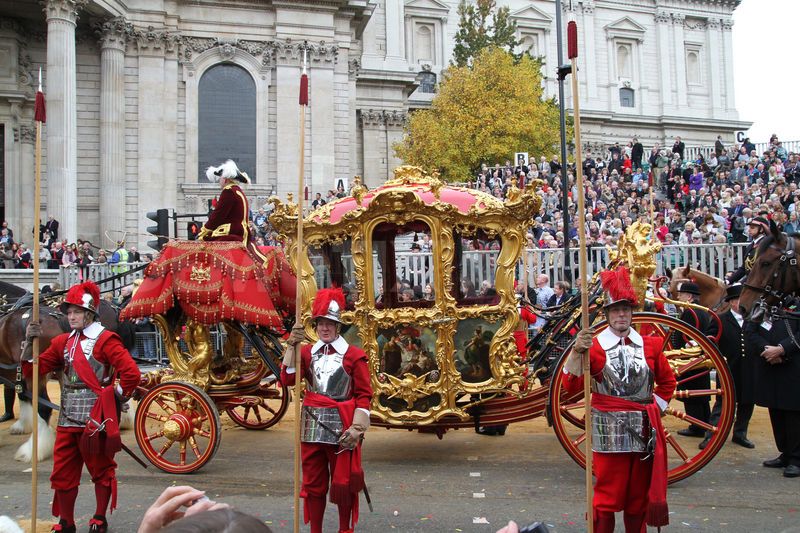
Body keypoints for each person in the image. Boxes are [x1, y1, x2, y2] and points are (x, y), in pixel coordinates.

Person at [562, 266, 676, 533]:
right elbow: (570, 387)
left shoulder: (651, 345)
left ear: (632, 313)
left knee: (637, 501)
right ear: (608, 315)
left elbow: (668, 383)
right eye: (616, 310)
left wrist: (653, 411)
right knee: (606, 500)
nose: (621, 314)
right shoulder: (596, 347)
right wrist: (578, 352)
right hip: (608, 434)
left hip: (644, 431)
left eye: (626, 309)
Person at [22, 281, 141, 533]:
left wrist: (113, 398)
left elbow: (131, 374)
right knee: (62, 473)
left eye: (76, 311)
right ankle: (66, 522)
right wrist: (27, 344)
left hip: (95, 420)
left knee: (101, 470)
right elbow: (34, 370)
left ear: (89, 313)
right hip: (66, 418)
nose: (71, 316)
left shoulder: (106, 340)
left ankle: (99, 517)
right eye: (68, 312)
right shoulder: (63, 342)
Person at [281, 287, 372, 533]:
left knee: (342, 484)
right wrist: (291, 345)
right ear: (315, 325)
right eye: (320, 323)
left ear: (338, 325)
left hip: (343, 429)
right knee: (313, 485)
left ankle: (345, 530)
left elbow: (364, 395)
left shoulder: (354, 356)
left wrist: (358, 428)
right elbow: (288, 378)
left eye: (330, 323)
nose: (324, 328)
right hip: (311, 426)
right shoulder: (306, 353)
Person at [744, 306, 800, 478]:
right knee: (775, 411)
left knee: (793, 413)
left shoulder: (796, 304)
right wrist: (767, 350)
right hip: (769, 365)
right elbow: (750, 331)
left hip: (793, 368)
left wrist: (782, 349)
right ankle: (785, 453)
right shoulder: (762, 307)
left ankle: (796, 459)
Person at [700, 284, 755, 450]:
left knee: (747, 403)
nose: (743, 303)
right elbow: (710, 341)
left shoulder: (752, 319)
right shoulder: (721, 319)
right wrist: (718, 359)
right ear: (731, 302)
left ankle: (740, 434)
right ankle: (711, 435)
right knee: (722, 404)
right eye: (739, 300)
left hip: (749, 369)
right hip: (728, 368)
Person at [672, 282, 718, 437]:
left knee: (691, 394)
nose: (678, 297)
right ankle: (704, 422)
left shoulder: (690, 312)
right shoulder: (702, 311)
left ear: (689, 297)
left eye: (681, 294)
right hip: (700, 357)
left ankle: (697, 426)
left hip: (689, 358)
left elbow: (686, 335)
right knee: (701, 393)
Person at [725, 216, 769, 285]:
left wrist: (742, 282)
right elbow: (744, 268)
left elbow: (759, 270)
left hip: (759, 283)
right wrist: (729, 280)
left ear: (761, 230)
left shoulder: (765, 245)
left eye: (752, 228)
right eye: (749, 227)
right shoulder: (751, 246)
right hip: (750, 281)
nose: (749, 230)